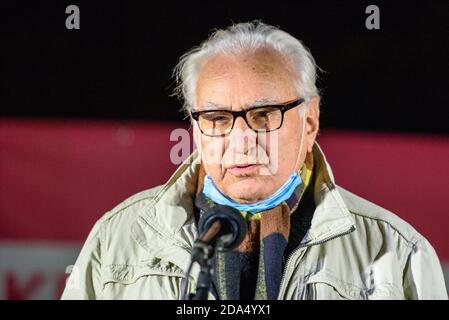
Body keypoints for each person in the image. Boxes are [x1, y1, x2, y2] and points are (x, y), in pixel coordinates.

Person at [61, 21, 447, 300]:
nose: (241, 141)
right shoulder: (117, 238)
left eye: (264, 116)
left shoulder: (397, 252)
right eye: (217, 119)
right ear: (195, 127)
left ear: (310, 121)